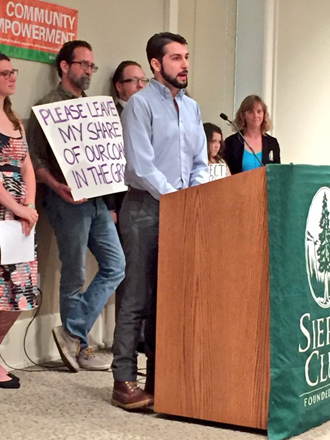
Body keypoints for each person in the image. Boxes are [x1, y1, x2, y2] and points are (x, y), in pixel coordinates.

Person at [111, 32, 209, 410]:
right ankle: (123, 379)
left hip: (183, 209)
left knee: (168, 298)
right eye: (176, 58)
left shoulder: (194, 108)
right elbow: (140, 165)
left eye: (186, 57)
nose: (184, 64)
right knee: (137, 296)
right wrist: (175, 197)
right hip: (145, 208)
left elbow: (200, 161)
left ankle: (159, 375)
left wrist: (194, 195)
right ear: (156, 64)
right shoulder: (139, 105)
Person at [28, 41, 125, 373]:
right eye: (82, 64)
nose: (87, 71)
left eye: (91, 66)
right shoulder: (47, 107)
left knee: (116, 265)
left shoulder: (95, 108)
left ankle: (72, 331)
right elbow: (36, 159)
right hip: (66, 201)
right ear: (64, 66)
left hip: (97, 200)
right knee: (75, 271)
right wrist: (57, 186)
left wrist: (110, 200)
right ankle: (80, 346)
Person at [0, 52, 38, 388]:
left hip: (20, 217)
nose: (13, 77)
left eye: (14, 71)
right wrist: (15, 205)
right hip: (2, 210)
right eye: (5, 73)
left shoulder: (15, 119)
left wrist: (30, 205)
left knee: (19, 292)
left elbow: (26, 166)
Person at [223, 95, 281, 175]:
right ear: (243, 115)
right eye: (250, 112)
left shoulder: (272, 143)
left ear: (264, 115)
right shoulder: (231, 142)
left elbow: (277, 173)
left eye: (259, 111)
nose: (255, 115)